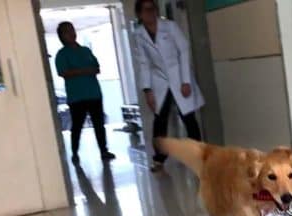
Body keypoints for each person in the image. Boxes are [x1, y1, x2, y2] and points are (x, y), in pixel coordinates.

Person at [132, 0, 204, 171]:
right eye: (146, 10)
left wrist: (185, 80)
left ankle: (200, 157)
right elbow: (144, 63)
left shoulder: (170, 27)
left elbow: (184, 50)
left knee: (189, 119)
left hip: (179, 77)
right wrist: (148, 91)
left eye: (153, 9)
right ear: (139, 14)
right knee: (160, 121)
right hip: (159, 82)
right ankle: (159, 158)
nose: (151, 12)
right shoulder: (139, 34)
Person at [55, 21, 115, 164]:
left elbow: (96, 68)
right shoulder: (62, 54)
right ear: (61, 36)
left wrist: (81, 71)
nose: (71, 33)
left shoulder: (85, 51)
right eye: (67, 31)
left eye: (72, 30)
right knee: (77, 126)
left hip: (94, 93)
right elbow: (63, 72)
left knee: (99, 124)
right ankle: (75, 153)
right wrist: (83, 71)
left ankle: (104, 151)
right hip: (77, 97)